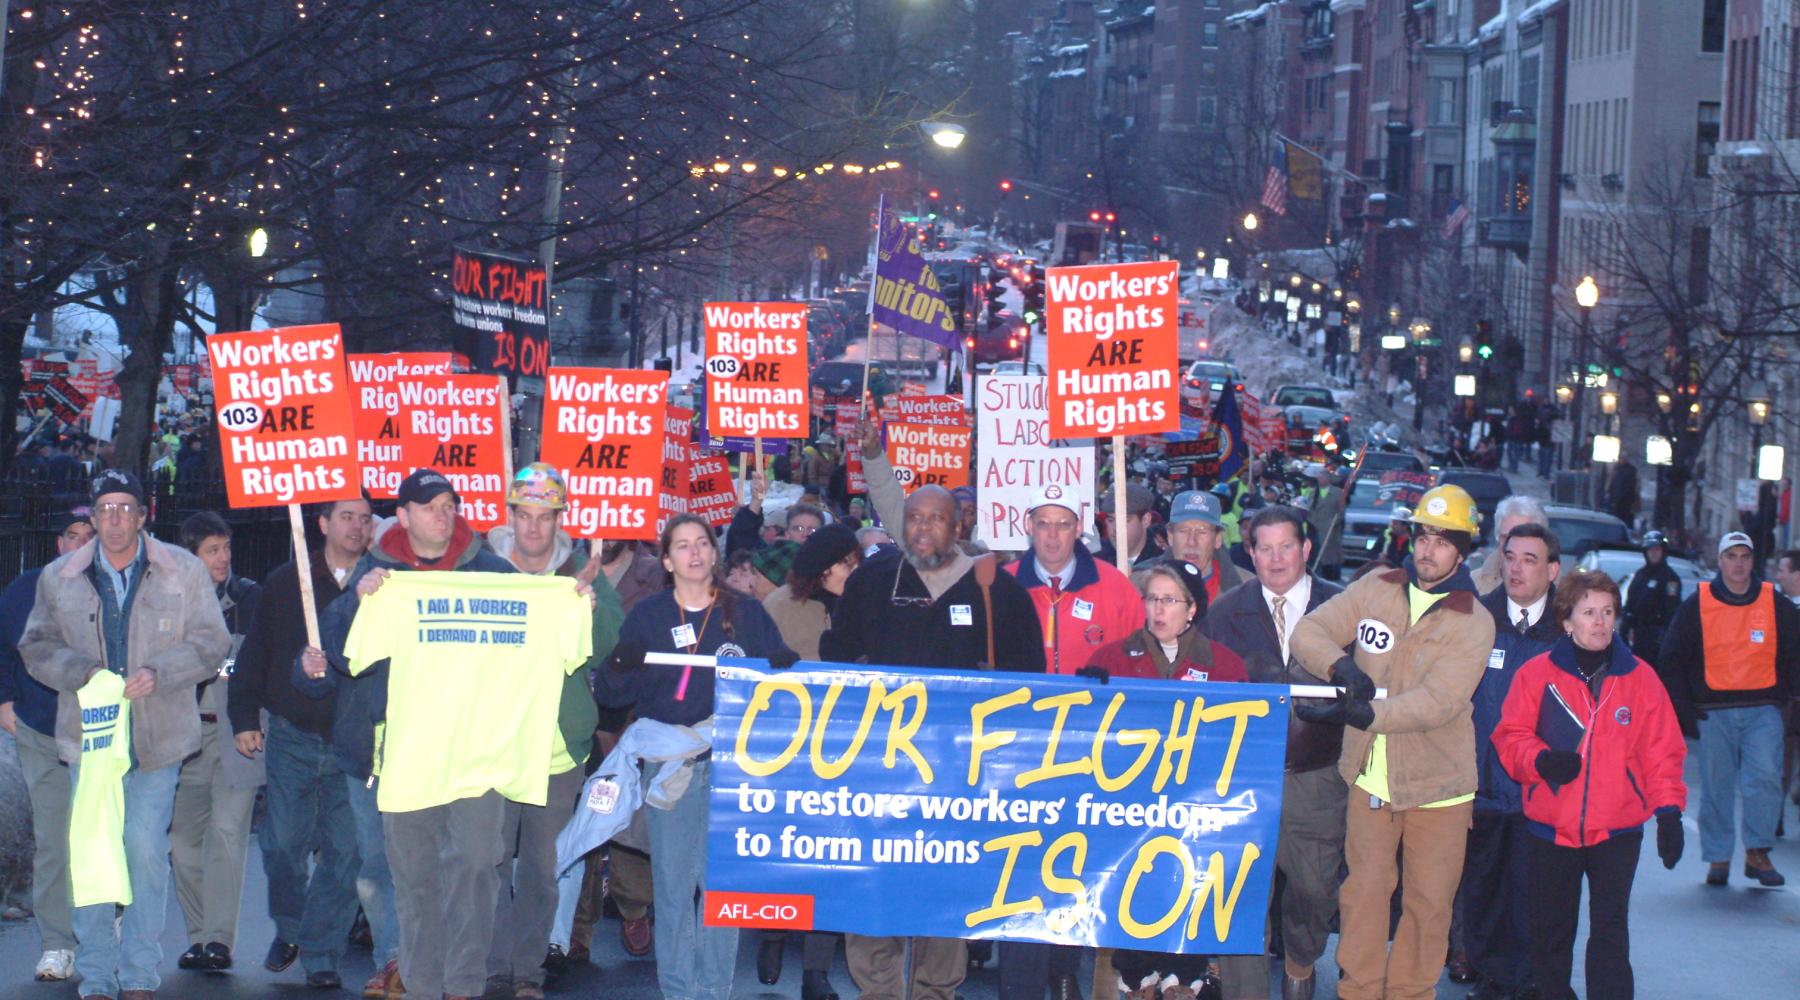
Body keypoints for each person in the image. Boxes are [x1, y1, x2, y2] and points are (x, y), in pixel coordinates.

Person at [299, 469, 521, 1000]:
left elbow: (528, 634)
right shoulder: (375, 572)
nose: (442, 514)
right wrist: (359, 598)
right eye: (428, 506)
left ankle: (464, 985)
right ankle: (421, 985)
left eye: (449, 504)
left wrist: (575, 600)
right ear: (401, 517)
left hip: (475, 749)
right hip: (400, 752)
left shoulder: (493, 571)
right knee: (414, 878)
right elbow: (336, 650)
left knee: (473, 864)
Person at [821, 484, 1046, 1000]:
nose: (923, 528)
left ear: (959, 526)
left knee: (946, 891)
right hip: (878, 770)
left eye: (936, 519)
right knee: (874, 885)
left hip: (960, 777)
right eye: (915, 518)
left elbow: (1032, 679)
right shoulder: (873, 581)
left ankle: (935, 991)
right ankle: (877, 990)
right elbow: (837, 656)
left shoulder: (997, 589)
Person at [21, 469, 232, 1000]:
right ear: (91, 520)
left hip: (158, 741)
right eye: (105, 510)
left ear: (143, 516)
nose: (115, 520)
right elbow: (36, 646)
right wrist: (82, 672)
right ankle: (96, 974)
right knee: (93, 853)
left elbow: (211, 641)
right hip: (88, 743)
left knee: (140, 849)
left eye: (125, 509)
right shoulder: (59, 576)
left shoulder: (183, 570)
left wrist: (162, 672)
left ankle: (138, 973)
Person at [1288, 484, 1496, 1000]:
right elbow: (1308, 631)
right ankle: (1357, 990)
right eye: (1424, 535)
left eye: (1443, 540)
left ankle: (1409, 993)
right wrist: (1339, 666)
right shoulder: (1377, 587)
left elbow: (1438, 703)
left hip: (1440, 786)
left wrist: (1365, 711)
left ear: (1463, 549)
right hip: (1370, 778)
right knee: (1362, 894)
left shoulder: (1475, 620)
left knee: (1428, 904)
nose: (1428, 549)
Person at [595, 513, 797, 1000]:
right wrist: (621, 662)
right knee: (671, 887)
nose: (694, 552)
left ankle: (714, 990)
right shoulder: (648, 615)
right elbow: (614, 690)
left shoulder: (746, 613)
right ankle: (679, 991)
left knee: (723, 891)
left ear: (714, 552)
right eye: (681, 545)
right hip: (671, 769)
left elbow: (784, 679)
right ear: (666, 559)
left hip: (732, 770)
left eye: (702, 543)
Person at [1492, 569, 1687, 1000]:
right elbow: (1510, 737)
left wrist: (1669, 812)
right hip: (1551, 826)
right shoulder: (1536, 674)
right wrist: (1540, 761)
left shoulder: (1640, 679)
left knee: (1611, 931)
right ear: (1567, 621)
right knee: (1551, 932)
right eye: (1589, 612)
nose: (1600, 622)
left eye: (1608, 612)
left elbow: (1663, 752)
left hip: (1617, 830)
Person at [483, 464, 624, 1000]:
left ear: (560, 518)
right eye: (525, 516)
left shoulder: (582, 571)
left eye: (545, 517)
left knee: (543, 870)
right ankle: (496, 967)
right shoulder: (484, 570)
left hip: (558, 750)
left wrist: (586, 606)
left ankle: (527, 972)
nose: (535, 529)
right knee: (491, 863)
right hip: (493, 740)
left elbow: (609, 642)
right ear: (510, 517)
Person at [229, 496, 376, 992]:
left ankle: (320, 950)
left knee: (346, 851)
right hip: (293, 734)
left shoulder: (384, 584)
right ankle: (292, 927)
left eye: (364, 517)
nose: (356, 526)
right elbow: (255, 653)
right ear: (322, 523)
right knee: (283, 846)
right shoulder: (284, 582)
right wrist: (243, 716)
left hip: (353, 740)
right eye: (346, 517)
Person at [1204, 505, 1345, 1000]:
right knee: (1241, 897)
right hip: (1245, 779)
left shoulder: (1340, 609)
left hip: (1319, 776)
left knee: (1314, 890)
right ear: (1251, 552)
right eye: (1265, 548)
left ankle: (1301, 963)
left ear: (1307, 549)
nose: (1276, 558)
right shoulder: (1225, 612)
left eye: (1287, 546)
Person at [1656, 530, 1800, 887]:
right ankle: (1718, 857)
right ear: (1719, 562)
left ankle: (1757, 852)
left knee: (1764, 779)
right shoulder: (1698, 604)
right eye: (1731, 556)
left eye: (1745, 556)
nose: (1738, 564)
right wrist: (1685, 710)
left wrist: (1788, 696)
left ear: (1754, 561)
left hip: (1763, 708)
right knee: (1717, 786)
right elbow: (1671, 657)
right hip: (1713, 711)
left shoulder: (1775, 603)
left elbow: (1796, 651)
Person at [757, 522, 861, 1000]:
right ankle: (774, 934)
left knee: (832, 862)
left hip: (845, 754)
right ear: (824, 569)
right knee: (788, 855)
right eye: (846, 563)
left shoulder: (863, 609)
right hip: (789, 752)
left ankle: (815, 972)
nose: (853, 570)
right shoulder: (779, 607)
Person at [1464, 522, 1563, 1000]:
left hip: (1541, 789)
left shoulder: (1568, 630)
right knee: (1483, 885)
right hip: (1483, 782)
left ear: (1552, 569)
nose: (1517, 568)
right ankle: (1492, 973)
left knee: (1533, 890)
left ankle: (1529, 978)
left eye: (1530, 559)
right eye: (1511, 557)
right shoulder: (1478, 620)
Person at [0, 507, 95, 982]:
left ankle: (103, 926)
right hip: (40, 728)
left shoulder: (118, 592)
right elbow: (1, 646)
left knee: (101, 838)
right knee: (54, 840)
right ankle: (57, 943)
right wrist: (3, 701)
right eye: (71, 536)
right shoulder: (24, 589)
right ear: (59, 543)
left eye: (88, 537)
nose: (79, 545)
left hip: (101, 733)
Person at [168, 512, 265, 974]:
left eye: (226, 548)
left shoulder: (250, 599)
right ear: (190, 555)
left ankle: (220, 940)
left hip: (237, 733)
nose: (224, 557)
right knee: (183, 840)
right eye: (213, 550)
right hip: (183, 736)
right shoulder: (167, 603)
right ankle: (198, 935)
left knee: (228, 834)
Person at [1011, 484, 1146, 676]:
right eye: (1043, 524)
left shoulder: (1116, 586)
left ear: (1079, 527)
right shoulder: (1004, 586)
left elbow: (1139, 662)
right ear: (1029, 526)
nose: (1052, 535)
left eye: (1063, 524)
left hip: (1094, 705)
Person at [1159, 490, 1244, 604]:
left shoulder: (1248, 588)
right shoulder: (1140, 586)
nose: (1192, 542)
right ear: (1170, 536)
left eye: (1202, 531)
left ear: (1218, 539)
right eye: (1183, 531)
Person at [1621, 531, 1682, 666]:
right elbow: (1630, 603)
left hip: (1657, 638)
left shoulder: (1670, 578)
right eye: (1650, 550)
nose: (1653, 553)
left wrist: (1663, 638)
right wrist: (1624, 629)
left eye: (1657, 549)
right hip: (1638, 636)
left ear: (1663, 551)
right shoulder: (1640, 575)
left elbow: (1672, 611)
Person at [1470, 495, 1548, 595]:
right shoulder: (1473, 585)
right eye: (1506, 537)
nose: (1512, 546)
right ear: (1497, 537)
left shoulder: (1563, 592)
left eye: (1522, 538)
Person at [1095, 481, 1163, 568]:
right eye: (1111, 520)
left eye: (1125, 520)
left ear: (1145, 520)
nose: (1116, 528)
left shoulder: (1161, 566)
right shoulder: (1096, 561)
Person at [1304, 466, 1346, 582]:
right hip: (1314, 529)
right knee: (1315, 556)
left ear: (1328, 478)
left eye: (1322, 476)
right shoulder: (1312, 492)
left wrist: (1333, 523)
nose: (1320, 479)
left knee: (1330, 558)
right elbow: (1309, 509)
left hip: (1330, 531)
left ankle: (1332, 577)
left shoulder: (1338, 493)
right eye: (1318, 477)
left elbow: (1341, 512)